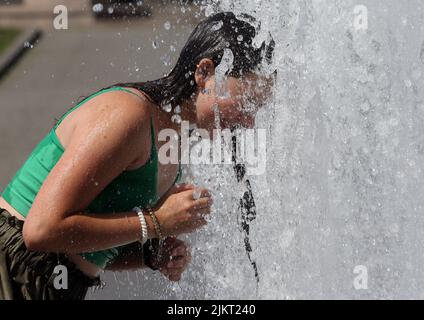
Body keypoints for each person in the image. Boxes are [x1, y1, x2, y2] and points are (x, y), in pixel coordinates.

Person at [0, 11, 275, 300]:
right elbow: (40, 231)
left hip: (54, 284)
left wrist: (150, 255)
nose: (249, 122)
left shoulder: (173, 140)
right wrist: (154, 222)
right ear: (204, 73)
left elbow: (89, 243)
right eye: (246, 101)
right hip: (13, 268)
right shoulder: (128, 115)